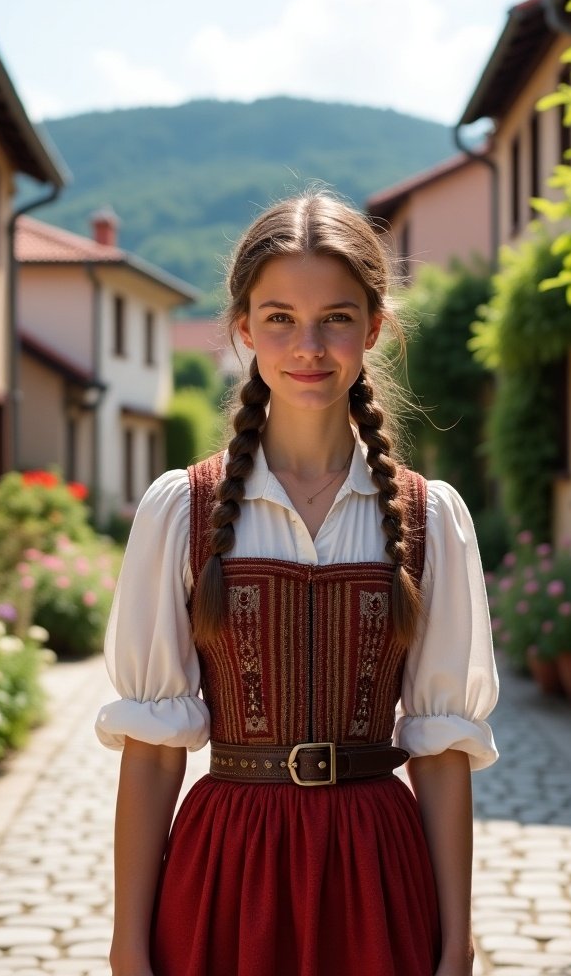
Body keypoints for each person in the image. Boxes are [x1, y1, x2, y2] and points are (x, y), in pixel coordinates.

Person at [96, 190, 498, 976]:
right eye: (279, 317)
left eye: (337, 318)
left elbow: (443, 751)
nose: (308, 344)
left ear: (374, 328)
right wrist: (127, 948)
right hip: (225, 873)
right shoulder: (184, 509)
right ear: (244, 328)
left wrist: (457, 943)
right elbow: (149, 756)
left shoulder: (427, 518)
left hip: (376, 871)